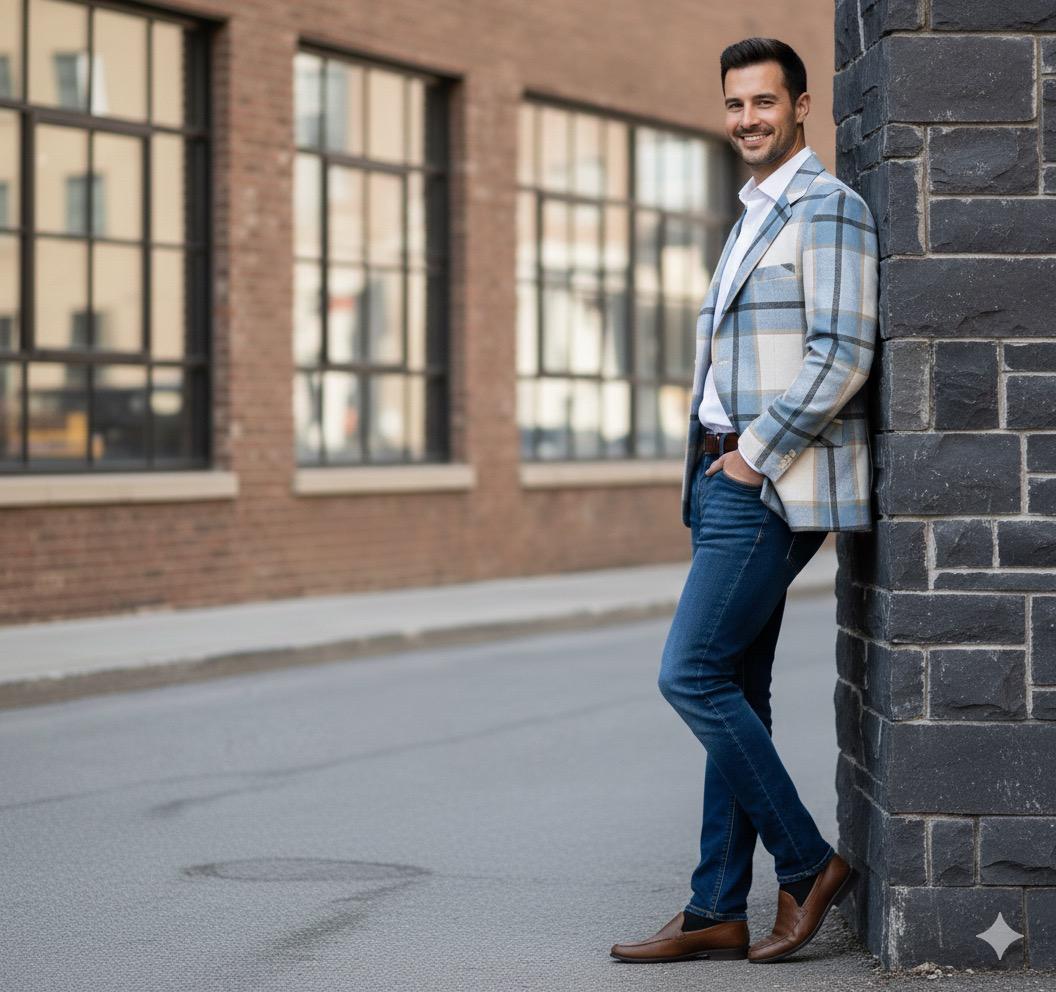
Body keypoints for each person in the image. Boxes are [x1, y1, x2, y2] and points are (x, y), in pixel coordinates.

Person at [610, 37, 879, 965]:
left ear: (801, 107)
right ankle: (715, 907)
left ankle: (805, 867)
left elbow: (842, 352)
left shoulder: (826, 208)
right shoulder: (748, 216)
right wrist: (709, 463)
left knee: (689, 675)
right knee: (737, 687)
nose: (748, 120)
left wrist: (754, 458)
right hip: (720, 474)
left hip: (768, 480)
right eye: (735, 104)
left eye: (765, 103)